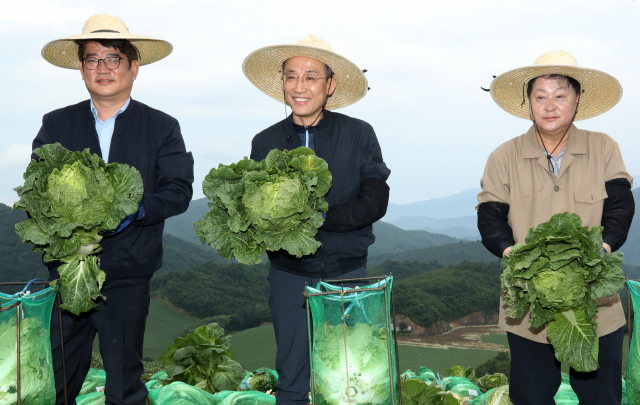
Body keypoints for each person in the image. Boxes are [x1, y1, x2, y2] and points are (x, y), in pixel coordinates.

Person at [37, 14, 194, 405]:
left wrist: (137, 210)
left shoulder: (161, 126)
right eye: (92, 59)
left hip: (127, 273)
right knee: (55, 379)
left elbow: (178, 190)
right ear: (81, 68)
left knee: (124, 384)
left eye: (113, 58)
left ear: (133, 67)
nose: (102, 68)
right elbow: (36, 192)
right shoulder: (56, 124)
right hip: (67, 272)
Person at [477, 50, 634, 405]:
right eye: (540, 96)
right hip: (529, 306)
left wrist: (601, 251)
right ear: (528, 102)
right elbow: (490, 216)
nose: (550, 105)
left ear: (578, 99)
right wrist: (514, 254)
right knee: (531, 397)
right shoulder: (505, 156)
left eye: (561, 95)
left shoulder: (603, 147)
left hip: (597, 304)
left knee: (601, 397)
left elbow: (621, 207)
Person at [242, 34, 391, 405]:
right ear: (282, 84)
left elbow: (375, 200)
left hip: (350, 275)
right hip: (289, 276)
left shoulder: (358, 134)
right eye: (291, 76)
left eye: (311, 76)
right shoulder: (265, 142)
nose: (300, 86)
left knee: (354, 376)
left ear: (330, 85)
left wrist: (314, 218)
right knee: (292, 376)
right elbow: (252, 210)